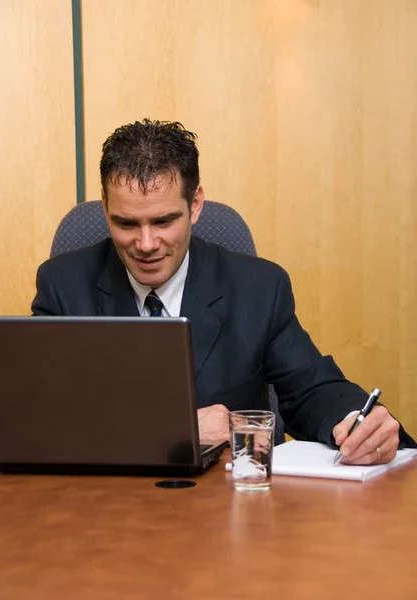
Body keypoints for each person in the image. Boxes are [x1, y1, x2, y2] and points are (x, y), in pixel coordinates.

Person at [32, 119, 416, 464]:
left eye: (164, 220)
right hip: (99, 513)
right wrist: (172, 429)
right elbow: (33, 420)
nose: (146, 243)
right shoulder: (63, 287)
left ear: (195, 204)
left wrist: (356, 421)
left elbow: (312, 389)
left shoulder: (259, 288)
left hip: (227, 513)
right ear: (105, 208)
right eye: (127, 223)